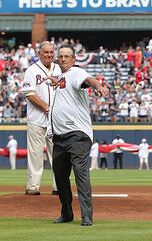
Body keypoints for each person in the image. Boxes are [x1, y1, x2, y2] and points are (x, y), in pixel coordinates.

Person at [49, 44, 109, 226]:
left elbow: (88, 79)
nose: (63, 59)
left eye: (67, 56)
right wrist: (56, 81)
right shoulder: (62, 77)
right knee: (59, 176)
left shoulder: (75, 72)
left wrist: (98, 85)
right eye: (61, 56)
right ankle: (67, 213)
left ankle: (86, 216)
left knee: (80, 174)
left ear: (74, 59)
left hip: (77, 135)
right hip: (60, 136)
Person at [21, 41, 61, 195]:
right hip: (37, 119)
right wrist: (47, 108)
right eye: (46, 52)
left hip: (56, 121)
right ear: (40, 53)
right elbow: (29, 94)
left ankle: (58, 185)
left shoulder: (59, 68)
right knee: (35, 154)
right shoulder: (31, 70)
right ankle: (33, 185)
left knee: (58, 154)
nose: (49, 55)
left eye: (51, 52)